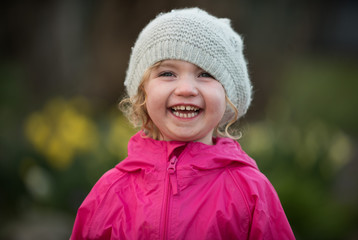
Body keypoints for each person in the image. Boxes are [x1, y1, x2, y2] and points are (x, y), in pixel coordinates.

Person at [70, 7, 295, 240]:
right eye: (167, 73)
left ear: (228, 97)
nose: (186, 89)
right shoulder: (110, 191)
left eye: (205, 73)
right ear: (142, 93)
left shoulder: (250, 191)